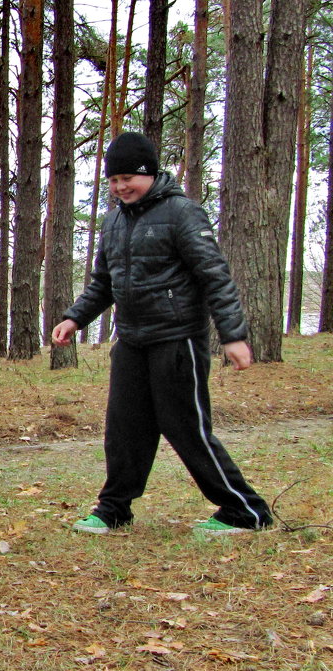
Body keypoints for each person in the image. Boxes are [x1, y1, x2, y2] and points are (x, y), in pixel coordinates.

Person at [50, 131, 272, 537]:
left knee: (185, 428)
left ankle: (246, 511)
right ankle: (114, 509)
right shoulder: (114, 219)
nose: (120, 187)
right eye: (113, 180)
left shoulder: (182, 213)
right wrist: (75, 318)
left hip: (177, 339)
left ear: (149, 173)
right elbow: (104, 281)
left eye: (128, 178)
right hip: (131, 340)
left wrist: (233, 335)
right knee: (124, 428)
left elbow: (215, 277)